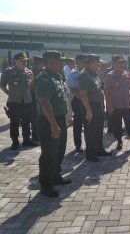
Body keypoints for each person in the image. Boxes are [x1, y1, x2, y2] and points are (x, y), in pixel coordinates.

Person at [35, 51, 71, 198]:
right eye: (59, 61)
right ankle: (46, 185)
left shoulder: (57, 76)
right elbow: (44, 102)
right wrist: (54, 125)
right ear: (50, 62)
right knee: (49, 154)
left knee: (60, 149)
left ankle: (56, 176)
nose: (62, 64)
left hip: (59, 118)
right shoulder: (43, 78)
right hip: (48, 120)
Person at [0, 52, 38, 150]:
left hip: (27, 101)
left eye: (25, 61)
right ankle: (15, 142)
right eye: (22, 61)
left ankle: (26, 140)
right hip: (14, 102)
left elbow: (31, 85)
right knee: (14, 123)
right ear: (16, 61)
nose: (24, 63)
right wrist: (9, 94)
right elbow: (2, 85)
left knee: (26, 122)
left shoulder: (29, 72)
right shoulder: (8, 72)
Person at [78, 54, 111, 162]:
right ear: (91, 63)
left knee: (98, 129)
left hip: (97, 106)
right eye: (97, 63)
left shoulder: (93, 73)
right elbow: (83, 94)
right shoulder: (84, 75)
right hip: (90, 106)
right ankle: (90, 153)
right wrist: (88, 110)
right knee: (90, 131)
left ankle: (98, 149)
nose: (99, 64)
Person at [104, 56, 130, 151]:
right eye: (118, 62)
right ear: (114, 63)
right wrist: (108, 106)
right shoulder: (109, 75)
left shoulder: (126, 74)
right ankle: (119, 142)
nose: (121, 64)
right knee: (117, 126)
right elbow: (106, 92)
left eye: (122, 62)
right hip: (115, 106)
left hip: (126, 105)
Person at [67, 54, 87, 152]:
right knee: (78, 123)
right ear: (78, 62)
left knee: (88, 123)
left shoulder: (88, 73)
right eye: (84, 61)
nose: (86, 63)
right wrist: (82, 98)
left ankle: (90, 144)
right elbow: (72, 89)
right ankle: (78, 145)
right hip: (78, 100)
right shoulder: (73, 74)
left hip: (87, 100)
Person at [30, 56, 45, 142]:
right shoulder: (32, 72)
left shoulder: (40, 71)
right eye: (42, 63)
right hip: (33, 96)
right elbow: (32, 85)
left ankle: (37, 134)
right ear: (38, 63)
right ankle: (35, 135)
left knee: (38, 115)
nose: (43, 64)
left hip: (38, 95)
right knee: (35, 116)